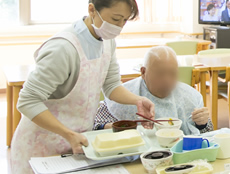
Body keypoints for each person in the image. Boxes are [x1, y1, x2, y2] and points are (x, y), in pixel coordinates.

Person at [11, 0, 155, 173]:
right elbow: (27, 101)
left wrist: (138, 100)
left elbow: (111, 85)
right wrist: (68, 134)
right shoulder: (63, 48)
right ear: (91, 9)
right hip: (41, 147)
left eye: (124, 21)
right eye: (116, 19)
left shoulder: (107, 42)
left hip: (78, 143)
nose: (119, 27)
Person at [94, 46, 214, 135]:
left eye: (172, 73)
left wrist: (202, 123)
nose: (167, 80)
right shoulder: (123, 93)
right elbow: (96, 125)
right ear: (143, 72)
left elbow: (207, 132)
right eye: (160, 74)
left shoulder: (190, 95)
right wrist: (115, 128)